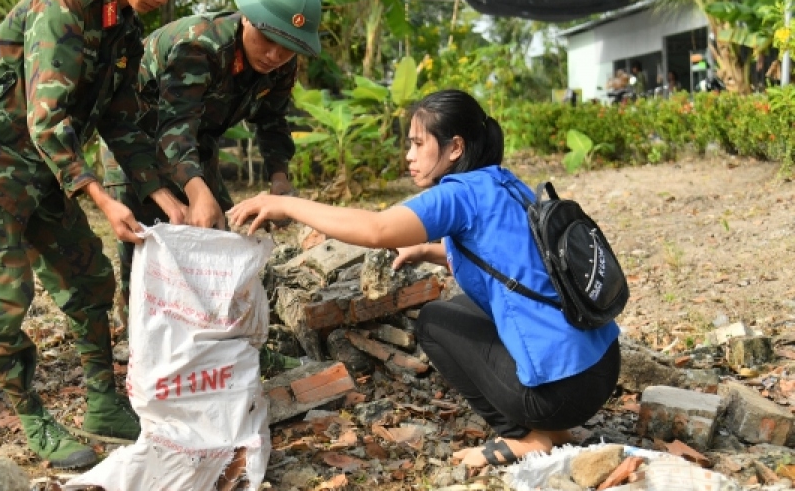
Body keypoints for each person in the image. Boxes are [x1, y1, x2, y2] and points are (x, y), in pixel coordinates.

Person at [0, 0, 214, 469]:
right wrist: (103, 199)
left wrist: (164, 197)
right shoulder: (65, 5)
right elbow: (48, 119)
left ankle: (102, 403)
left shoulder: (126, 29)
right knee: (4, 298)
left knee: (89, 275)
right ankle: (32, 413)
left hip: (42, 168)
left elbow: (123, 122)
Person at [227, 89, 621, 467]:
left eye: (418, 144)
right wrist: (429, 251)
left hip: (561, 395)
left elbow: (376, 229)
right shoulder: (501, 180)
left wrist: (284, 203)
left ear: (454, 148)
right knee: (465, 306)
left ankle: (524, 436)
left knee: (435, 322)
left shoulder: (457, 195)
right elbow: (512, 263)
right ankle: (557, 429)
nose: (409, 156)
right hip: (602, 367)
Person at [102, 0, 320, 348]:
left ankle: (208, 331)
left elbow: (272, 121)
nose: (275, 55)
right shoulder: (201, 44)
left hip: (195, 142)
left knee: (218, 235)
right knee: (144, 243)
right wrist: (195, 190)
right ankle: (139, 338)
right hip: (135, 140)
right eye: (269, 40)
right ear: (248, 18)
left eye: (288, 48)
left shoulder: (281, 63)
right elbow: (173, 126)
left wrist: (280, 179)